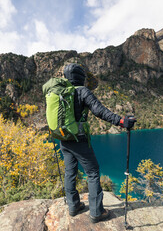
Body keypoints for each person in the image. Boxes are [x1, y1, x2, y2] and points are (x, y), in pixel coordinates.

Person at [60, 63, 136, 223]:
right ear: (80, 77)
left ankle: (73, 207)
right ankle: (96, 212)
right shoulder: (82, 91)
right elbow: (99, 111)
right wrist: (121, 121)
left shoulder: (60, 93)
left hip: (64, 140)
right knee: (93, 173)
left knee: (69, 172)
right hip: (79, 140)